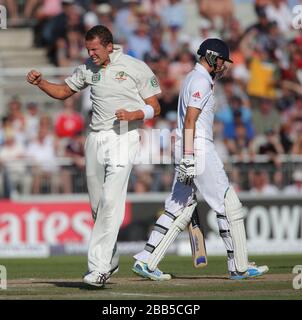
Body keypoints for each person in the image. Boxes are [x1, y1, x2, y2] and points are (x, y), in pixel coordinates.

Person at [27, 25, 161, 287]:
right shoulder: (88, 67)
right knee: (98, 207)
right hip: (96, 138)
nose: (91, 54)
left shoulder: (135, 66)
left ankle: (98, 268)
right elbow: (64, 91)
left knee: (111, 202)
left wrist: (135, 115)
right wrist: (41, 82)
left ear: (109, 46)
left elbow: (155, 106)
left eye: (95, 49)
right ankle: (110, 262)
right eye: (88, 49)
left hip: (124, 136)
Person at [132, 38, 269, 281]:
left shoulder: (195, 78)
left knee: (178, 208)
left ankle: (146, 259)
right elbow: (190, 121)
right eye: (223, 61)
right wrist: (188, 156)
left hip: (190, 147)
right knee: (229, 205)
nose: (224, 66)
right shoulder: (200, 81)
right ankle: (239, 265)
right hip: (198, 148)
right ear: (213, 57)